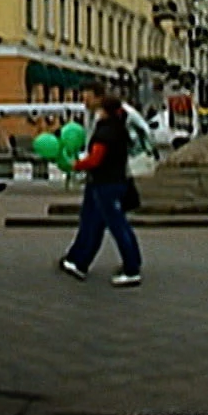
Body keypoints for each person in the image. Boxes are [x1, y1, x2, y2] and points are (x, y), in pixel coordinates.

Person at [59, 92, 143, 288]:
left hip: (106, 184)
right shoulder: (120, 128)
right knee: (102, 225)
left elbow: (96, 159)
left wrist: (76, 165)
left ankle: (131, 269)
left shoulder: (105, 131)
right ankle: (81, 263)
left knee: (117, 226)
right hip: (117, 181)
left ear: (104, 111)